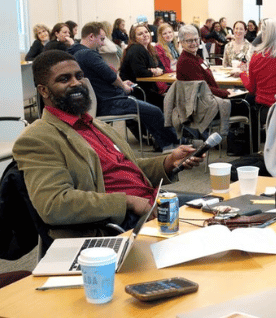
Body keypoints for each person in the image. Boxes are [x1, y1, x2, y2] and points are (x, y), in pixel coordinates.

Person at [12, 49, 202, 236]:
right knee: (210, 229)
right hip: (118, 223)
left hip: (151, 202)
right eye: (64, 79)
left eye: (79, 76)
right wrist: (127, 201)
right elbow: (54, 204)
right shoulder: (37, 138)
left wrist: (169, 161)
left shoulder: (94, 124)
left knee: (218, 208)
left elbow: (129, 167)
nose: (76, 83)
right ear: (43, 90)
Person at [68, 22, 179, 152]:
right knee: (155, 111)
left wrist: (122, 83)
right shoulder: (89, 54)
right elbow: (111, 76)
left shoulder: (75, 53)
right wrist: (123, 87)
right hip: (110, 101)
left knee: (152, 108)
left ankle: (163, 142)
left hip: (100, 100)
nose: (103, 43)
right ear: (91, 37)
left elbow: (107, 77)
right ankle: (170, 145)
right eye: (102, 39)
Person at [176, 25, 238, 99]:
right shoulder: (186, 61)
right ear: (181, 42)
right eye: (189, 41)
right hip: (203, 103)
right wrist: (226, 93)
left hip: (209, 97)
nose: (194, 43)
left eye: (196, 39)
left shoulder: (195, 57)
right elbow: (203, 89)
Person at [120, 23, 167, 109]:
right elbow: (140, 72)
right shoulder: (136, 49)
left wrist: (153, 70)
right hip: (139, 92)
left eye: (146, 32)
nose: (145, 35)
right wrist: (154, 71)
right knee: (168, 103)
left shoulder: (151, 49)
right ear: (134, 38)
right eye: (140, 34)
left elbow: (162, 68)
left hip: (148, 89)